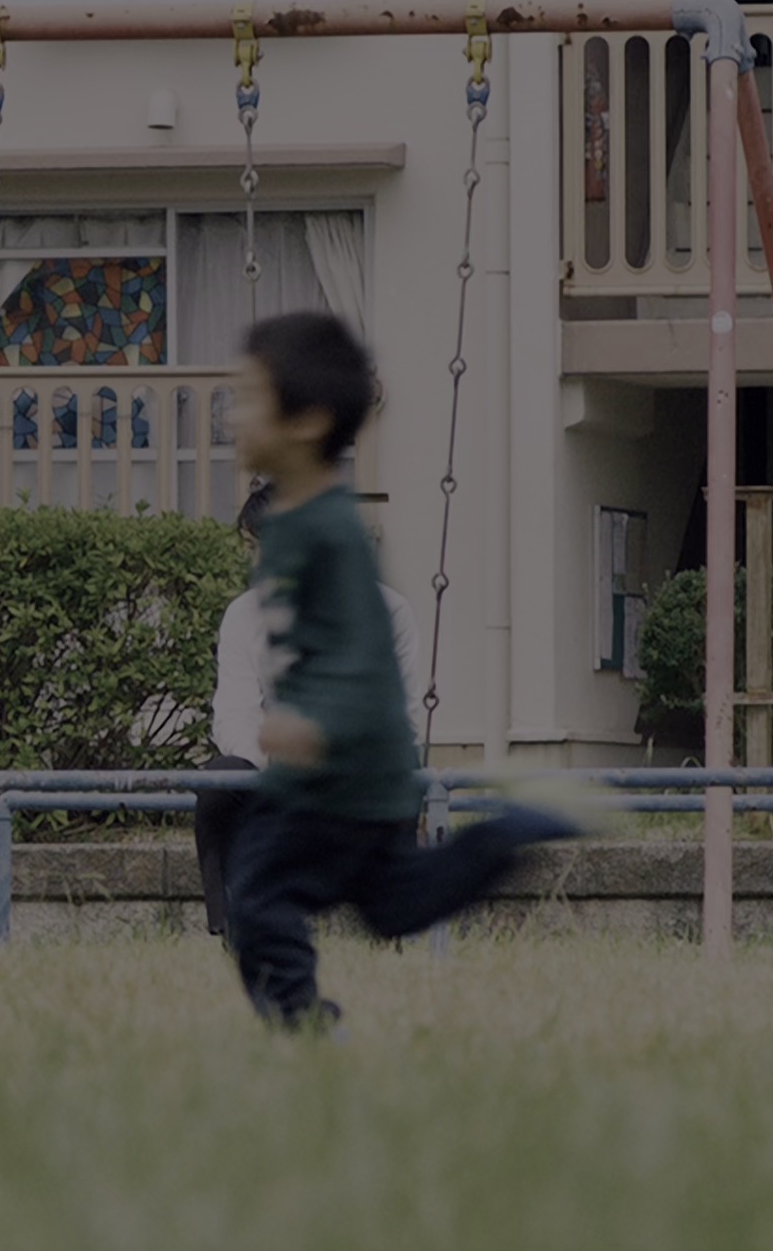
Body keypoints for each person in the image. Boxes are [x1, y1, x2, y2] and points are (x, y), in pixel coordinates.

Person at [222, 312, 605, 1031]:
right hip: (354, 778)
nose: (230, 415)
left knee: (259, 895)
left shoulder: (328, 534)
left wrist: (312, 725)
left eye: (247, 398)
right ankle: (511, 830)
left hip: (337, 777)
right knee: (392, 907)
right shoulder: (293, 527)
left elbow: (360, 658)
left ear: (306, 420)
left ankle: (304, 1026)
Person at [191, 481, 428, 941]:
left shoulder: (387, 612)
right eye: (252, 548)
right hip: (275, 770)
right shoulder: (243, 615)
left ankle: (394, 932)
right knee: (220, 781)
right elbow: (234, 715)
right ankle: (235, 932)